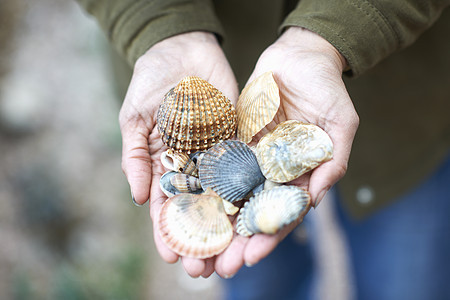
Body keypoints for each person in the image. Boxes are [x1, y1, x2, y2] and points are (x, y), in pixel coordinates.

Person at [76, 0, 450, 299]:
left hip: (401, 106)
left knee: (410, 283)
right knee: (260, 282)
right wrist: (161, 28)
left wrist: (329, 37)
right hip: (205, 60)